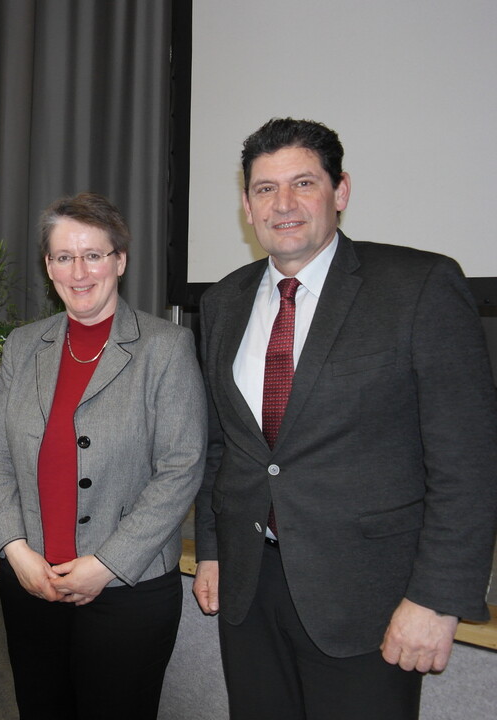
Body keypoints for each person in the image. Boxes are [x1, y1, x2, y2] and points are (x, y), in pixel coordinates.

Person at [193, 117, 497, 719]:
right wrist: (211, 548)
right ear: (247, 207)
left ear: (341, 192)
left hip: (370, 599)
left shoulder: (419, 286)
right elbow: (222, 444)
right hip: (251, 589)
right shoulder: (223, 301)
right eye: (264, 188)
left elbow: (468, 460)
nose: (283, 204)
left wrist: (436, 599)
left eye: (303, 183)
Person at [0, 192, 206, 719]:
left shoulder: (164, 347)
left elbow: (181, 468)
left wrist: (106, 564)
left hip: (129, 590)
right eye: (63, 257)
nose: (78, 271)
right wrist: (15, 548)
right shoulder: (23, 345)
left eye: (93, 255)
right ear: (48, 267)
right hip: (32, 582)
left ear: (120, 261)